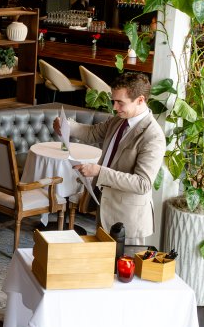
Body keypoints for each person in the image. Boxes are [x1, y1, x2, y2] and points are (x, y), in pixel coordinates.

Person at [54, 71, 164, 246]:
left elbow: (142, 184)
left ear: (140, 100)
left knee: (122, 271)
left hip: (128, 220)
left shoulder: (153, 136)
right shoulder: (119, 120)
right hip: (104, 207)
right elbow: (92, 133)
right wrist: (67, 126)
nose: (114, 107)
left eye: (120, 102)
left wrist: (99, 171)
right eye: (114, 101)